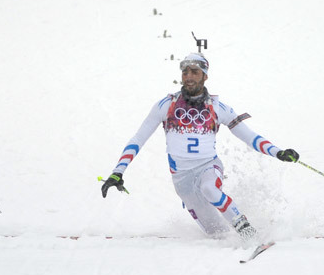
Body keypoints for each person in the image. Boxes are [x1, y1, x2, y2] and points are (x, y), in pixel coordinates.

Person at [101, 52, 299, 240]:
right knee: (217, 234)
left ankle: (249, 234)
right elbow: (138, 139)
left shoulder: (217, 107)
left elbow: (250, 137)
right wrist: (118, 171)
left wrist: (278, 152)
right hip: (182, 180)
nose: (188, 76)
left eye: (194, 72)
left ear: (205, 76)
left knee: (210, 189)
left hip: (207, 167)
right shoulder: (166, 105)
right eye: (185, 72)